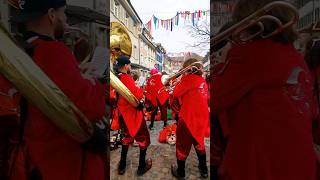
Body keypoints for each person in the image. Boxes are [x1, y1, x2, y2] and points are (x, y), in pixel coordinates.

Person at [212, 0, 318, 179]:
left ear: (248, 23)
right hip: (301, 164)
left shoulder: (248, 56)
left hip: (261, 166)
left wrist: (222, 62)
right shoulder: (297, 59)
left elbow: (215, 100)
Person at [8, 0, 107, 180]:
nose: (65, 18)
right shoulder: (54, 52)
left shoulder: (24, 49)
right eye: (64, 13)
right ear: (52, 15)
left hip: (36, 154)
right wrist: (93, 81)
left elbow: (54, 85)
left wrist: (76, 71)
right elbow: (93, 108)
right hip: (62, 162)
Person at [171, 58, 209, 179]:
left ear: (187, 69)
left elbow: (175, 93)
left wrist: (181, 79)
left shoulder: (187, 80)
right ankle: (204, 170)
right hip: (201, 118)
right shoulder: (203, 80)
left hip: (188, 118)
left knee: (182, 145)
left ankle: (181, 173)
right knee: (199, 143)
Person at [115, 56, 152, 176]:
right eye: (129, 65)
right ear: (126, 66)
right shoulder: (126, 77)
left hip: (122, 114)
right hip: (132, 115)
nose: (130, 67)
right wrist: (139, 88)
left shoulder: (117, 78)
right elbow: (138, 95)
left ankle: (122, 165)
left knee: (126, 138)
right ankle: (141, 166)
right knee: (143, 138)